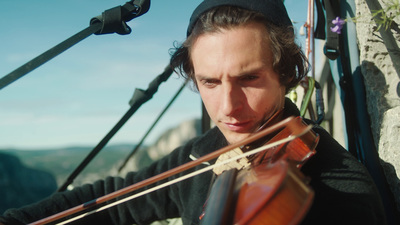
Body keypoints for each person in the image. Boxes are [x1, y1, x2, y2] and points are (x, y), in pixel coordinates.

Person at [0, 0, 387, 224]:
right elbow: (112, 198)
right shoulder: (208, 150)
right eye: (210, 83)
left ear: (285, 73)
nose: (228, 108)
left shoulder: (342, 192)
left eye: (248, 78)